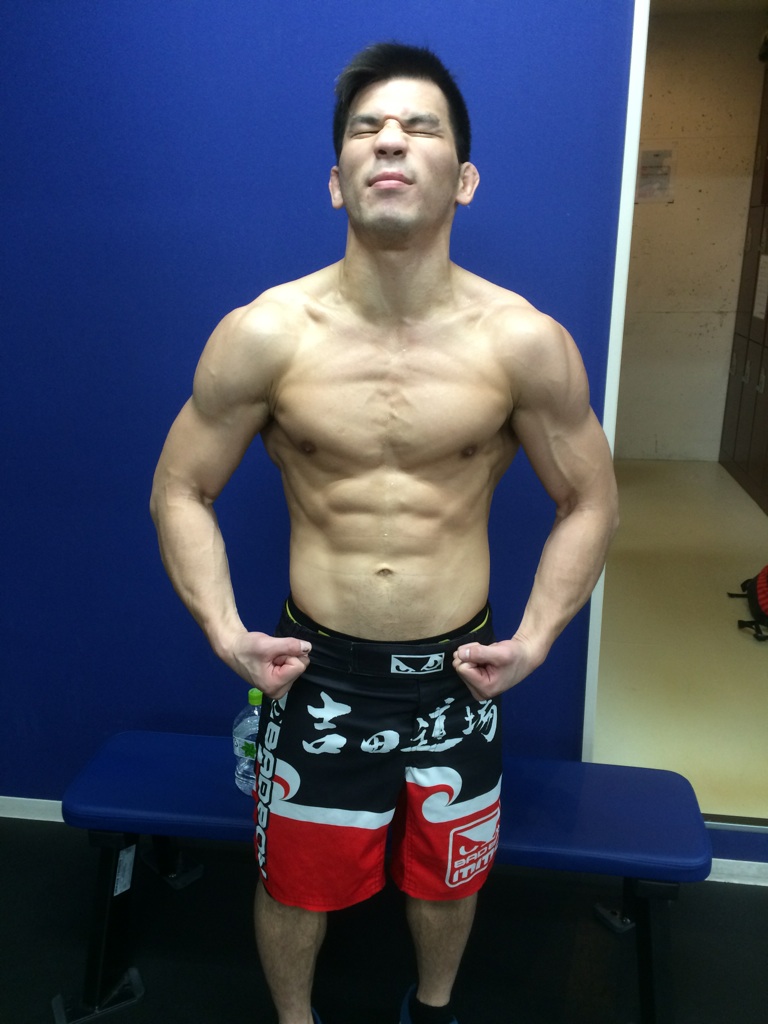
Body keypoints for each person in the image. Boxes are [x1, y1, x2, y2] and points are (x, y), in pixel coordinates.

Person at [150, 41, 618, 1024]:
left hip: (459, 674)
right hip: (315, 671)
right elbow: (180, 488)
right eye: (367, 128)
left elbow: (591, 499)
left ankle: (433, 1009)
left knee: (448, 877)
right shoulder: (266, 334)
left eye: (419, 126)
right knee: (295, 882)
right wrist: (226, 632)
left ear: (465, 177)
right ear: (337, 180)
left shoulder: (523, 342)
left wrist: (536, 639)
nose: (391, 140)